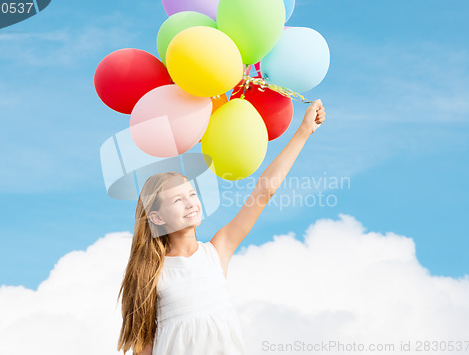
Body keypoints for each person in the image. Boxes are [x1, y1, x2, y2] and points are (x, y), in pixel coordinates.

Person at [117, 99, 327, 355]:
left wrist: (303, 131)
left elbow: (266, 189)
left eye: (192, 194)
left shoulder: (217, 251)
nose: (190, 203)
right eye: (177, 199)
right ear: (157, 217)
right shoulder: (151, 273)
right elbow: (143, 347)